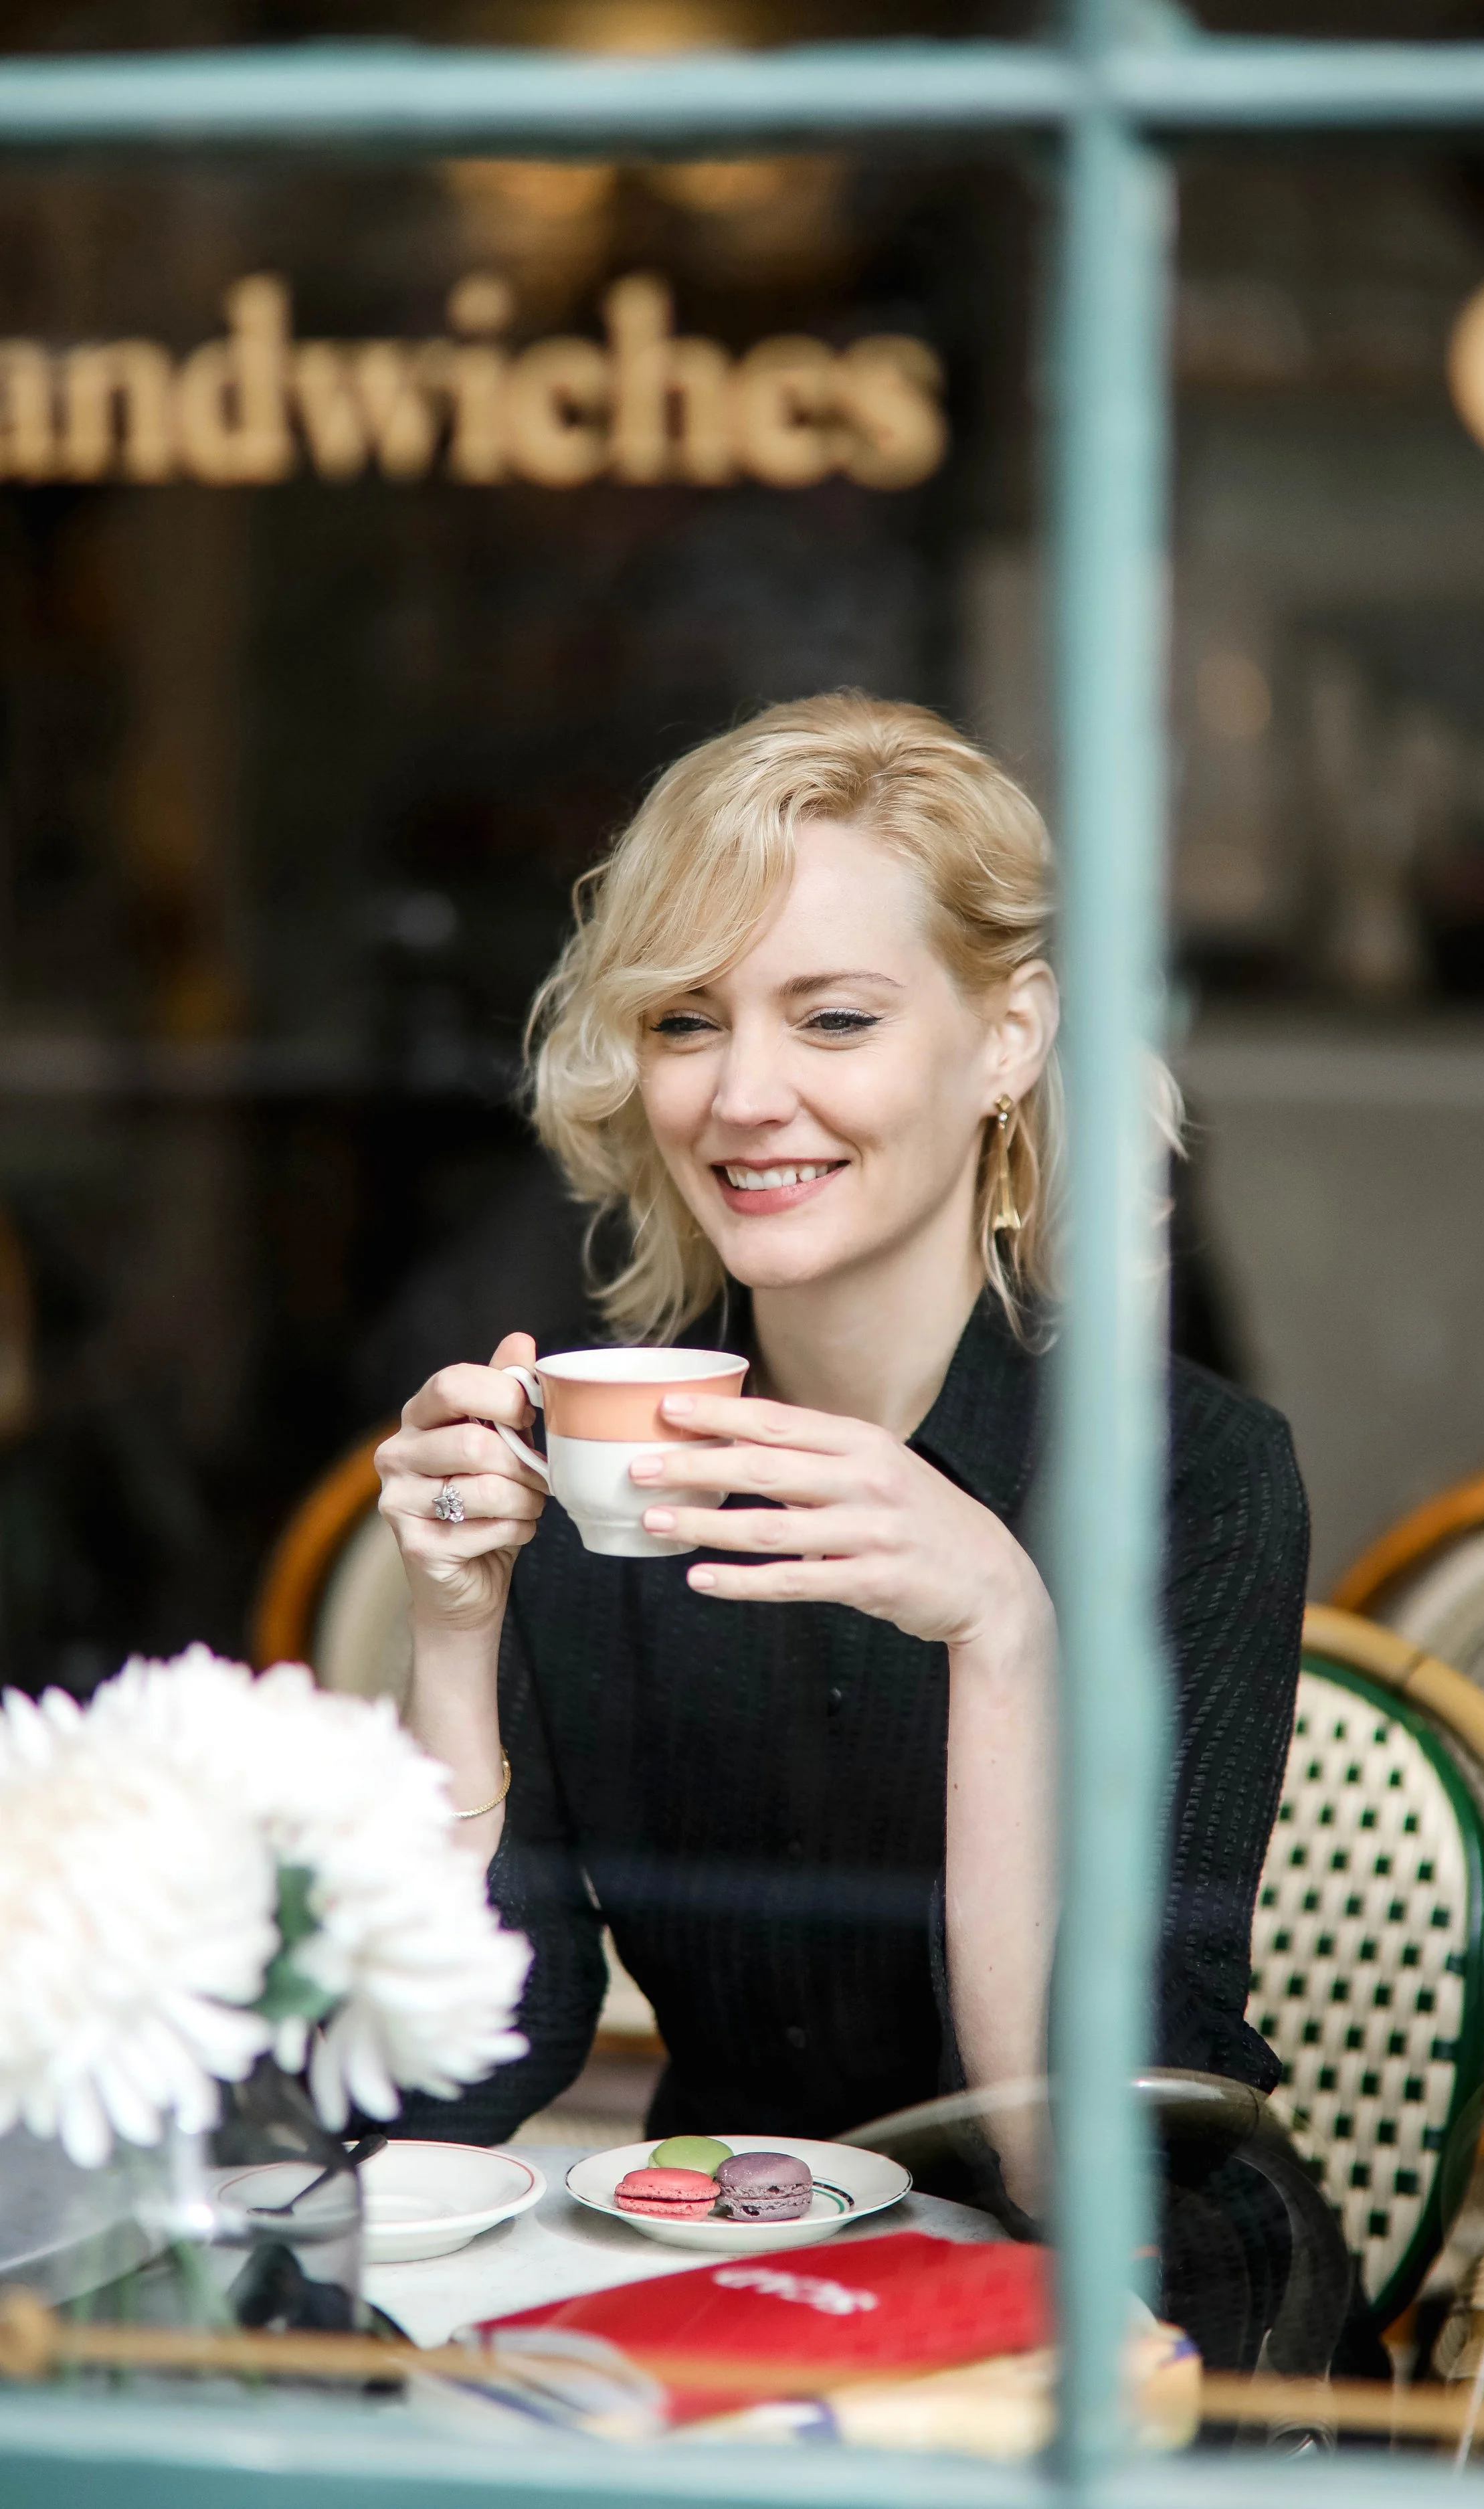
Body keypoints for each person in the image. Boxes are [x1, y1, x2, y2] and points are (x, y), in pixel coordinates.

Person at [372, 694, 1307, 2239]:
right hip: (704, 2280)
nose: (740, 1095)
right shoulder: (589, 1465)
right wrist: (455, 1643)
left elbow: (1088, 2182)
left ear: (1006, 1038)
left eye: (833, 1018)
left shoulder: (1184, 1478)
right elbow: (449, 2091)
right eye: (686, 1019)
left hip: (1095, 2328)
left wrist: (1000, 1629)